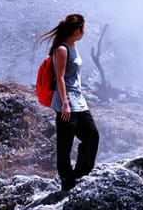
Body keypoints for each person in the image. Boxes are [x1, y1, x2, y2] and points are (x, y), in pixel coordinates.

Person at [40, 13, 99, 191]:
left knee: (92, 136)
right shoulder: (62, 50)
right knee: (65, 145)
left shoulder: (73, 47)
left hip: (79, 101)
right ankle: (67, 181)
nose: (84, 32)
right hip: (67, 103)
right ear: (76, 30)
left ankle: (81, 174)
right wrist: (65, 103)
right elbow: (60, 78)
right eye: (82, 29)